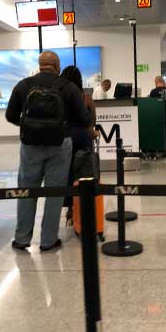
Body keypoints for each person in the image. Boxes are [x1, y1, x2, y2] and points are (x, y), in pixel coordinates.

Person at [6, 51, 92, 252]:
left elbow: (10, 115)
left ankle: (22, 238)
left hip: (30, 146)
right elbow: (85, 119)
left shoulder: (23, 85)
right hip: (60, 145)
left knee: (27, 190)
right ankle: (48, 240)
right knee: (55, 193)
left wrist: (28, 126)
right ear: (57, 65)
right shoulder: (68, 87)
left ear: (40, 64)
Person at [60, 66, 97, 223]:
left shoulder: (59, 96)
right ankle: (84, 209)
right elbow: (92, 120)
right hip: (83, 138)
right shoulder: (86, 98)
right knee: (84, 173)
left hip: (65, 138)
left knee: (68, 174)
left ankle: (70, 210)